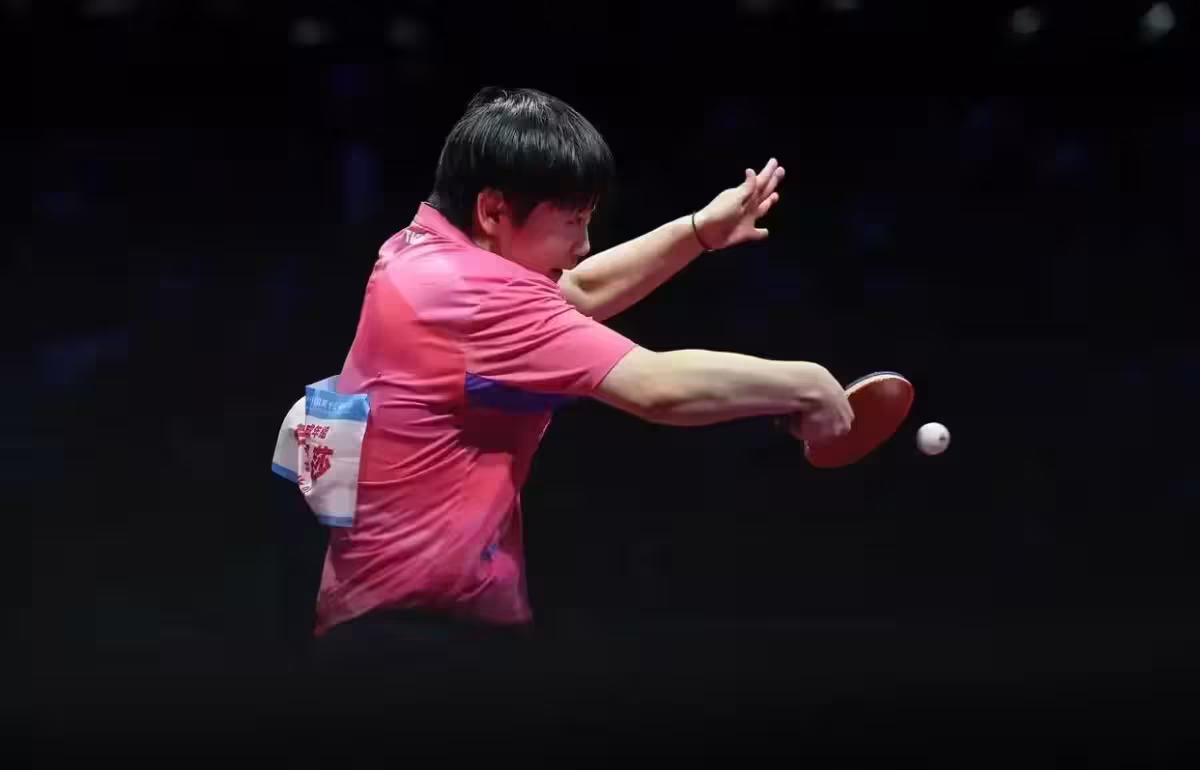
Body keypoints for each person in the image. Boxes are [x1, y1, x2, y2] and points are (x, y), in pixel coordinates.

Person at [306, 87, 853, 687]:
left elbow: (578, 292)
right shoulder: (472, 297)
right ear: (493, 211)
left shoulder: (420, 254)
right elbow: (656, 387)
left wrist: (699, 231)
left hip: (394, 627)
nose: (584, 244)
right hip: (412, 649)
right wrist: (806, 383)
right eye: (573, 221)